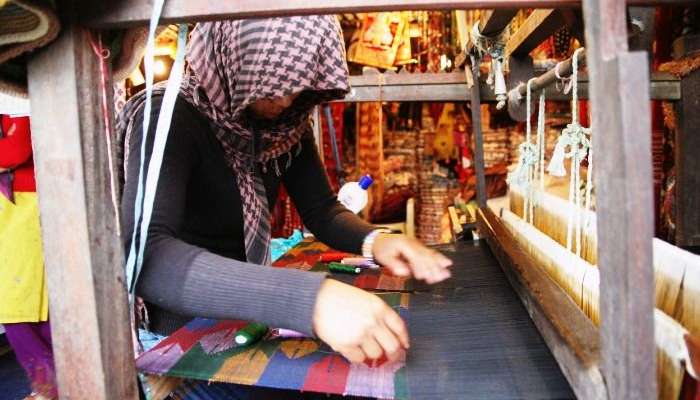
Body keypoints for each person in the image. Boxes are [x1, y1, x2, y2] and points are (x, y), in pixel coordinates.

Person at [117, 16, 452, 367]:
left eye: (299, 86)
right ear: (235, 62)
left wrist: (377, 241)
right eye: (274, 86)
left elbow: (322, 209)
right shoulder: (167, 116)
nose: (287, 100)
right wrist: (309, 301)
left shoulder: (284, 126)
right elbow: (146, 255)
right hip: (179, 334)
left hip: (248, 317)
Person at [0, 114, 57, 400]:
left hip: (26, 208)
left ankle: (54, 386)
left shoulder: (19, 101)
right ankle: (49, 386)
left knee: (29, 307)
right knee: (17, 307)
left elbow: (17, 149)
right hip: (11, 213)